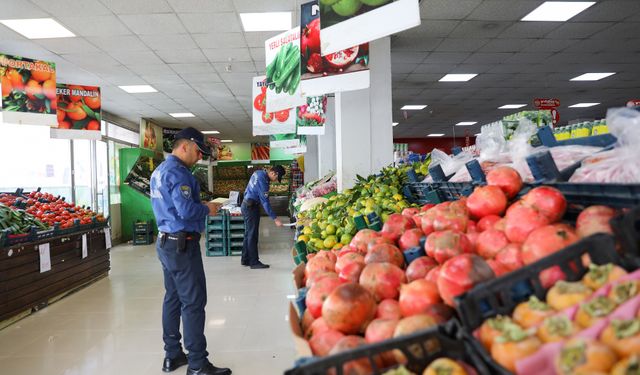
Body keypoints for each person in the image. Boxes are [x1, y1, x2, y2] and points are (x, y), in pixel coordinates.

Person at [150, 127, 231, 375]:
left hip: (165, 241)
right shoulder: (180, 173)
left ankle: (172, 355)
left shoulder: (159, 171)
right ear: (184, 146)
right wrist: (208, 208)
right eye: (198, 152)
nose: (199, 157)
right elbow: (186, 211)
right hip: (182, 244)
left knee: (172, 298)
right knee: (194, 302)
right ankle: (197, 363)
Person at [241, 165, 286, 269]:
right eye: (276, 178)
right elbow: (265, 203)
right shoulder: (264, 181)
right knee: (252, 235)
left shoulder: (258, 173)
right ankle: (254, 262)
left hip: (246, 204)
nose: (275, 180)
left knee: (248, 233)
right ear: (274, 173)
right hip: (251, 207)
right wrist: (275, 219)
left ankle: (245, 259)